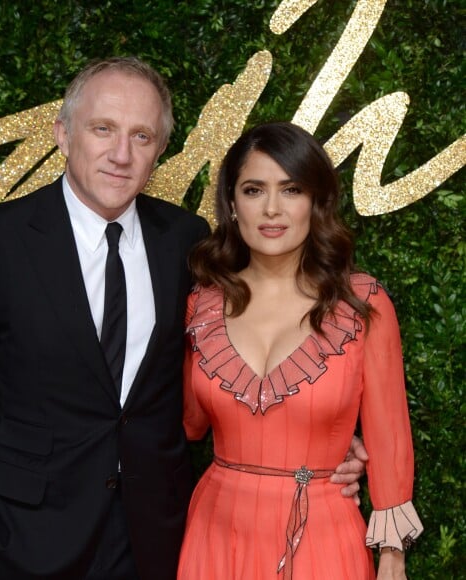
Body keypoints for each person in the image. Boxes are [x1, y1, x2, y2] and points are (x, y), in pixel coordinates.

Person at [0, 58, 366, 580]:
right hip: (19, 539)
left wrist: (324, 449)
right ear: (63, 134)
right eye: (103, 129)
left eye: (142, 136)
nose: (121, 154)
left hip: (152, 537)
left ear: (159, 151)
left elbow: (219, 372)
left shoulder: (184, 240)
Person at [177, 122, 423, 580]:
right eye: (254, 190)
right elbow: (189, 424)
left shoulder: (361, 304)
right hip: (216, 529)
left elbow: (390, 439)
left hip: (322, 533)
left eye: (291, 189)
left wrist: (392, 557)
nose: (272, 209)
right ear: (232, 204)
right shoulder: (202, 304)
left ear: (316, 202)